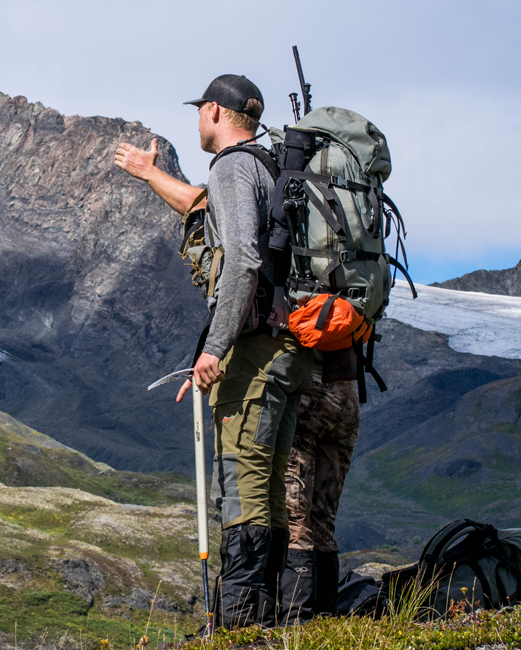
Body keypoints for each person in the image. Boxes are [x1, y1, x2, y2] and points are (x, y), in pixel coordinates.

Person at [113, 74, 313, 629]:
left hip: (254, 353)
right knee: (269, 485)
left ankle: (240, 624)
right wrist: (150, 172)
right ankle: (266, 619)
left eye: (201, 108)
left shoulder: (230, 167)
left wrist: (216, 348)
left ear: (218, 113)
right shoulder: (270, 168)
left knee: (244, 483)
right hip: (292, 350)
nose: (197, 118)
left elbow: (244, 260)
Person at [278, 375, 359, 624]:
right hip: (346, 396)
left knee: (296, 520)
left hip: (306, 396)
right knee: (323, 520)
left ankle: (296, 623)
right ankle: (324, 620)